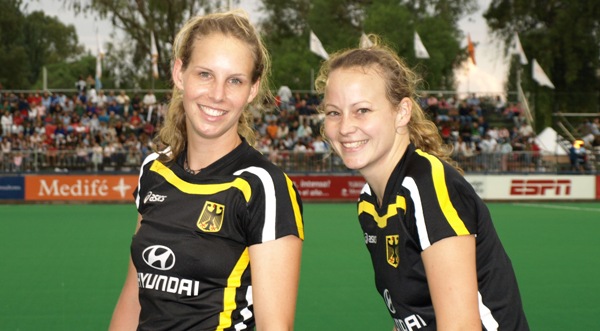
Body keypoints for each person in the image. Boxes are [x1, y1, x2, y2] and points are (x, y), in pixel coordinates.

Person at [315, 35, 529, 331]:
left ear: (401, 112)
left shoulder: (425, 186)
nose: (346, 126)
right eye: (333, 113)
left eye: (362, 110)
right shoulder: (369, 201)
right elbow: (409, 318)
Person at [109, 10, 304, 331]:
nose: (217, 94)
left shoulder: (263, 187)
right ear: (179, 73)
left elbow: (276, 327)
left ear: (252, 90)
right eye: (204, 74)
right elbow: (133, 297)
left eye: (235, 80)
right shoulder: (154, 170)